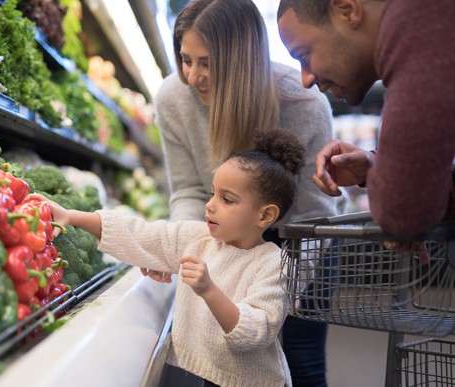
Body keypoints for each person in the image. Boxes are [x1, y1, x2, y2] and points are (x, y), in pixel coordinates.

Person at [145, 1, 347, 386]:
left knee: (300, 362)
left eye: (206, 62)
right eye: (186, 59)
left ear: (241, 60)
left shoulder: (303, 103)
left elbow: (313, 213)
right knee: (221, 360)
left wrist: (285, 291)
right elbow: (188, 190)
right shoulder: (173, 98)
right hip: (230, 233)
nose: (192, 76)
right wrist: (182, 249)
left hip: (305, 239)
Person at [29, 129, 306, 387]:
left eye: (227, 200)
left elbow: (252, 334)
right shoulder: (198, 239)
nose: (210, 205)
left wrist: (208, 290)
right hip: (209, 376)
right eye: (212, 194)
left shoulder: (273, 265)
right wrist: (72, 216)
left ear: (265, 215)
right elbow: (142, 234)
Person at [277, 0, 455, 237]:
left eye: (304, 55)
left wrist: (397, 191)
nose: (306, 79)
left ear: (347, 11)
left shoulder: (419, 34)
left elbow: (402, 216)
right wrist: (376, 169)